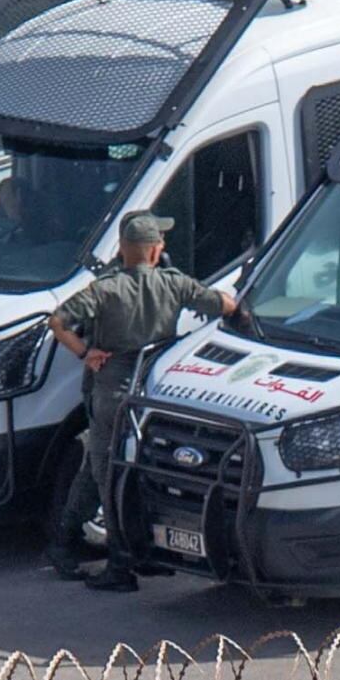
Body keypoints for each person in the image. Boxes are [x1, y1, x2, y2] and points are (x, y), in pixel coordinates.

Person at [45, 213, 246, 590]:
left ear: (122, 250)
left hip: (111, 390)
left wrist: (85, 352)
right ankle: (110, 550)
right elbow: (225, 305)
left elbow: (58, 322)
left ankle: (115, 559)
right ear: (156, 250)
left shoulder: (106, 289)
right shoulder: (174, 285)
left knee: (105, 468)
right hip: (152, 393)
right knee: (124, 469)